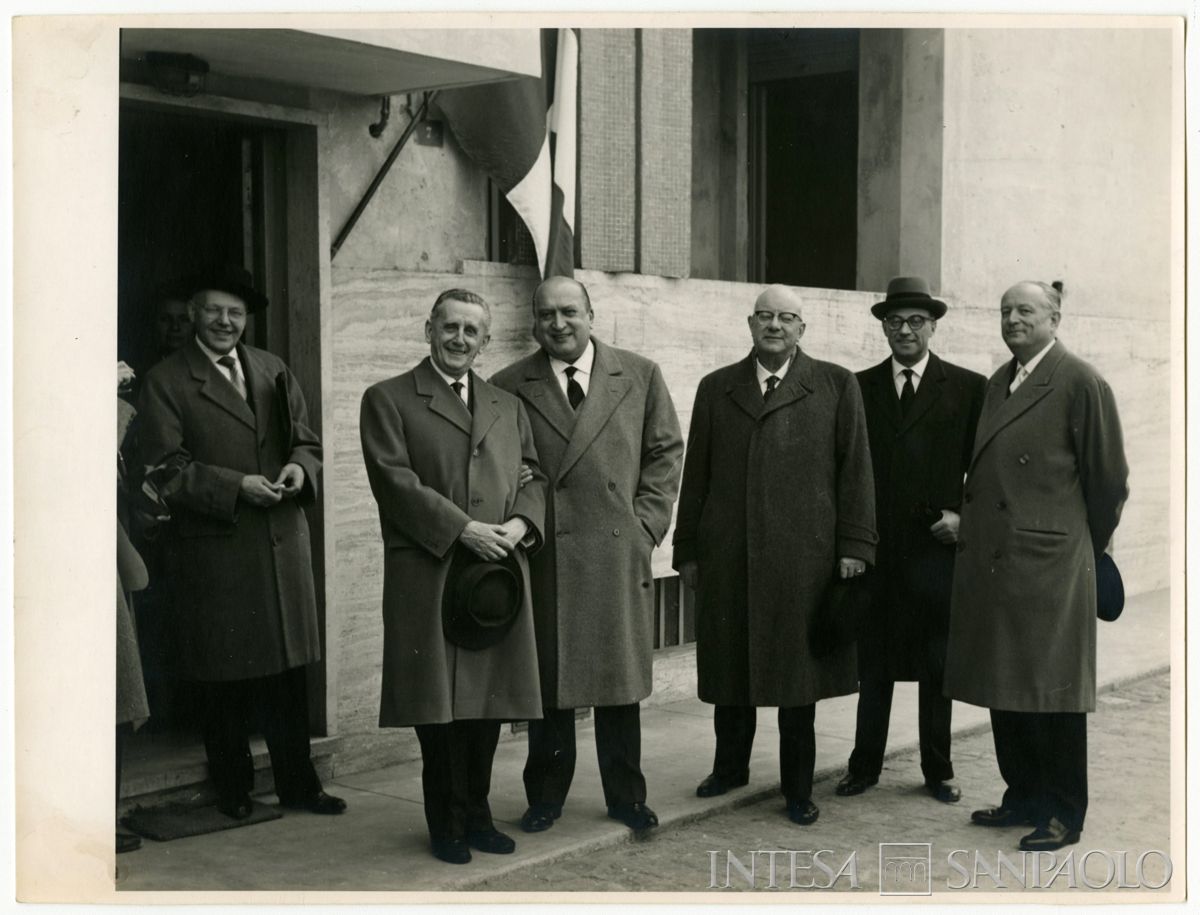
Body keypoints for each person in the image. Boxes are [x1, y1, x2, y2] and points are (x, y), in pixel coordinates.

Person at [137, 264, 346, 821]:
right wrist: (236, 487)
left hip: (281, 544)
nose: (225, 321)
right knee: (223, 676)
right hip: (219, 550)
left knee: (287, 677)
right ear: (193, 315)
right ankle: (233, 790)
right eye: (213, 310)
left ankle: (299, 785)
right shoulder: (166, 381)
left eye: (235, 312)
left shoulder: (273, 368)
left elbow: (306, 441)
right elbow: (162, 469)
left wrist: (300, 469)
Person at [673, 284, 877, 826]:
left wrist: (856, 546)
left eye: (787, 318)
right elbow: (696, 477)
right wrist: (688, 548)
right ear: (750, 323)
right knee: (731, 673)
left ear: (802, 328)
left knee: (796, 683)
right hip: (729, 555)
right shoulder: (716, 387)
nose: (774, 326)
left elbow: (856, 471)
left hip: (804, 561)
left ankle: (797, 789)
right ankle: (729, 768)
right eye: (765, 316)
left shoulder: (836, 384)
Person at [360, 288, 547, 865]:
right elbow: (395, 482)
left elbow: (533, 474)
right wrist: (463, 528)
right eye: (450, 327)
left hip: (496, 575)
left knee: (487, 704)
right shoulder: (389, 399)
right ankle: (446, 824)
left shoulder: (506, 405)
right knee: (438, 711)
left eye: (471, 331)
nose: (459, 339)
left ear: (485, 341)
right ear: (429, 330)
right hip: (432, 573)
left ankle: (479, 816)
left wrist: (521, 523)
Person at [491, 276, 683, 835]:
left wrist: (646, 526)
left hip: (617, 550)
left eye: (569, 312)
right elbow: (505, 463)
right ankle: (545, 797)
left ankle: (627, 796)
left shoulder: (640, 374)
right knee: (551, 685)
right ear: (534, 322)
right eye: (547, 314)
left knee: (618, 686)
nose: (559, 324)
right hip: (548, 552)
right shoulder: (509, 384)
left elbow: (665, 451)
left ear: (591, 314)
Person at [943, 280, 1129, 852]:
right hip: (1000, 562)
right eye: (1005, 311)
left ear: (1054, 318)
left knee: (1055, 693)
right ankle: (1022, 795)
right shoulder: (1000, 381)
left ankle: (1064, 814)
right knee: (1008, 684)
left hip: (1050, 564)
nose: (1013, 319)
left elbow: (1108, 482)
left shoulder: (1080, 381)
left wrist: (1078, 548)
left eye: (1025, 310)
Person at [834, 277, 986, 804]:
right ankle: (864, 766)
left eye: (916, 321)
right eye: (895, 322)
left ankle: (937, 769)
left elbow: (984, 472)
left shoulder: (967, 387)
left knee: (935, 666)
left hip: (935, 550)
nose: (905, 330)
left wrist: (963, 518)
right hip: (878, 549)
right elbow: (843, 469)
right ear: (883, 328)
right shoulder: (857, 387)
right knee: (873, 665)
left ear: (933, 327)